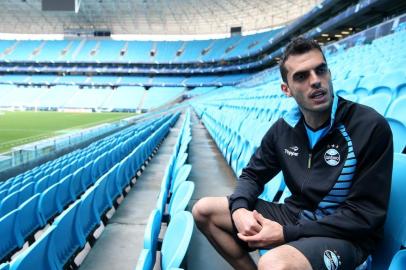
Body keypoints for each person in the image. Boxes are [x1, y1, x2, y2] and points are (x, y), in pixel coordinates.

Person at [192, 37, 393, 270]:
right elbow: (252, 175)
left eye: (320, 70)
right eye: (301, 76)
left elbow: (364, 216)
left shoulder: (368, 125)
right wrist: (239, 210)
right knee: (205, 211)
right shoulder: (284, 129)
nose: (315, 81)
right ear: (286, 90)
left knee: (274, 264)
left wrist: (286, 234)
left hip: (345, 236)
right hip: (294, 215)